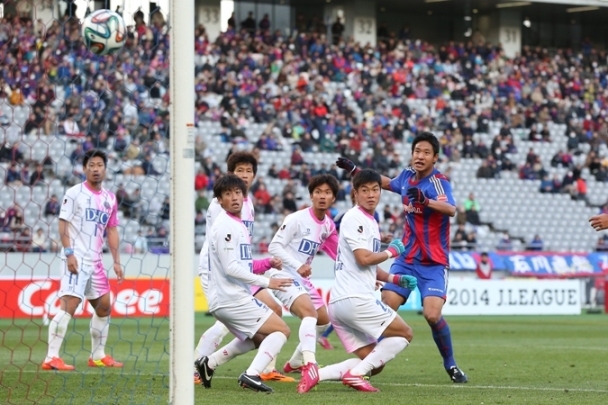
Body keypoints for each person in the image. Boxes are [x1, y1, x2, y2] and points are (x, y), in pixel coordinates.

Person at [336, 132, 469, 383]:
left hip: (433, 262)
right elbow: (385, 183)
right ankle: (368, 362)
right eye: (417, 151)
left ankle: (450, 364)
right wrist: (356, 170)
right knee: (386, 305)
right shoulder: (407, 175)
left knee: (432, 315)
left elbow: (451, 209)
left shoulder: (439, 183)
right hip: (407, 258)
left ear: (435, 158)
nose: (420, 156)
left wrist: (426, 201)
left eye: (426, 152)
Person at [309, 169, 417, 392]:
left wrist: (395, 279)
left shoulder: (369, 221)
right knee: (405, 333)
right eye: (365, 190)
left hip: (341, 302)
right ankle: (355, 375)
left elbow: (368, 266)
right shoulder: (355, 218)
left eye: (375, 190)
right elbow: (364, 258)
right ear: (355, 193)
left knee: (374, 362)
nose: (371, 195)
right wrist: (391, 252)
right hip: (355, 298)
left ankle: (317, 375)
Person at [193, 152, 293, 384]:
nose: (245, 175)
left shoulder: (248, 204)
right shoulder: (221, 206)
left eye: (249, 171)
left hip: (238, 270)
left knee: (271, 314)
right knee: (226, 321)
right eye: (240, 171)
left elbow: (241, 250)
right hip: (216, 270)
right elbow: (225, 251)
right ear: (230, 174)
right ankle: (196, 368)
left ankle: (259, 367)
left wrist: (265, 264)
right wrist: (265, 279)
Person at [42, 149, 123, 371]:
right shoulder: (74, 193)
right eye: (91, 165)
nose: (96, 169)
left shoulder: (110, 198)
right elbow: (63, 223)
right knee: (69, 305)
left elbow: (112, 230)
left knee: (104, 306)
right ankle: (51, 357)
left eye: (99, 165)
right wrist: (68, 252)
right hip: (75, 257)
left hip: (96, 261)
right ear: (85, 168)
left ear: (105, 169)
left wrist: (116, 261)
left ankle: (97, 355)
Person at [266, 174, 339, 393]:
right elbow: (274, 247)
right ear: (311, 195)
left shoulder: (328, 225)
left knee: (324, 320)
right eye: (318, 192)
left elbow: (340, 254)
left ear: (334, 198)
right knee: (309, 313)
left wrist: (369, 274)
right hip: (282, 273)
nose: (322, 196)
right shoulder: (296, 219)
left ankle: (295, 362)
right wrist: (298, 265)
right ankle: (310, 365)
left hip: (302, 279)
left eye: (327, 192)